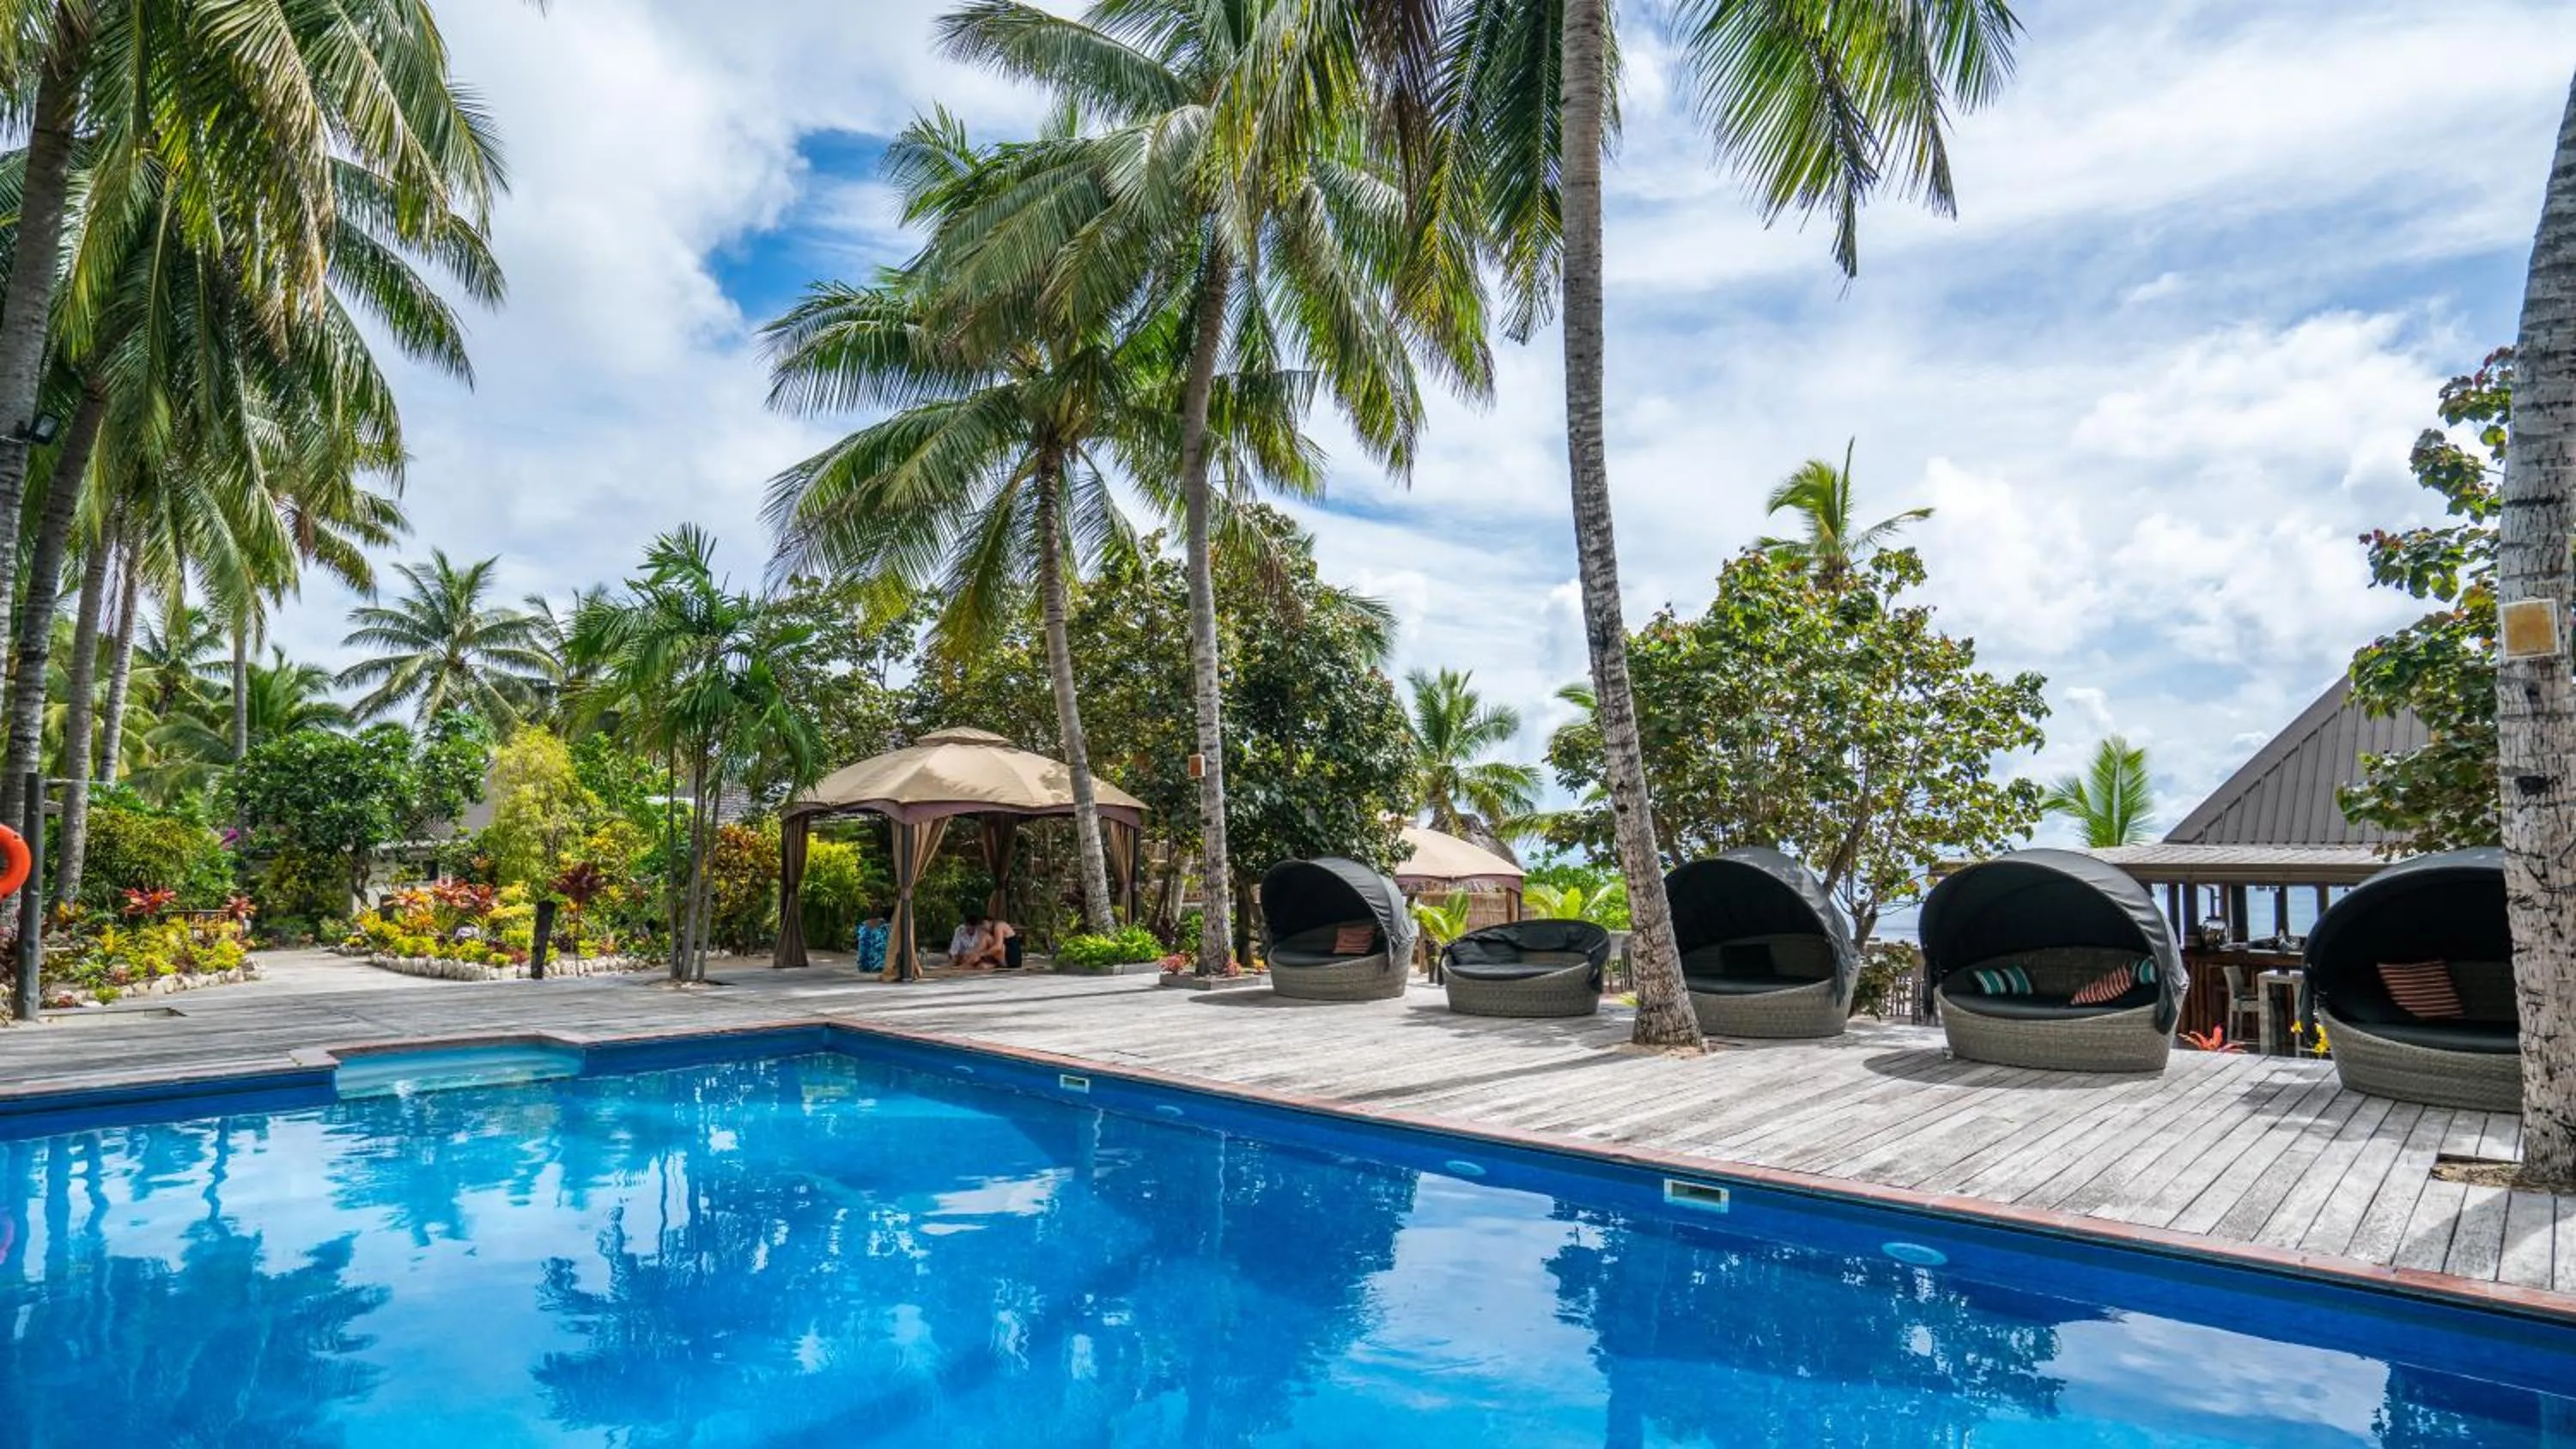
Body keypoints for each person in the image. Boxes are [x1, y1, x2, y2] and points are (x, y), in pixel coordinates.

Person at [949, 912, 1016, 970]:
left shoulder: (999, 926)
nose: (984, 927)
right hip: (1005, 960)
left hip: (1010, 960)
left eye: (984, 924)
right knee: (981, 966)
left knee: (986, 938)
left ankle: (968, 963)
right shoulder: (992, 930)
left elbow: (998, 947)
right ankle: (974, 962)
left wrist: (981, 954)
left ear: (990, 922)